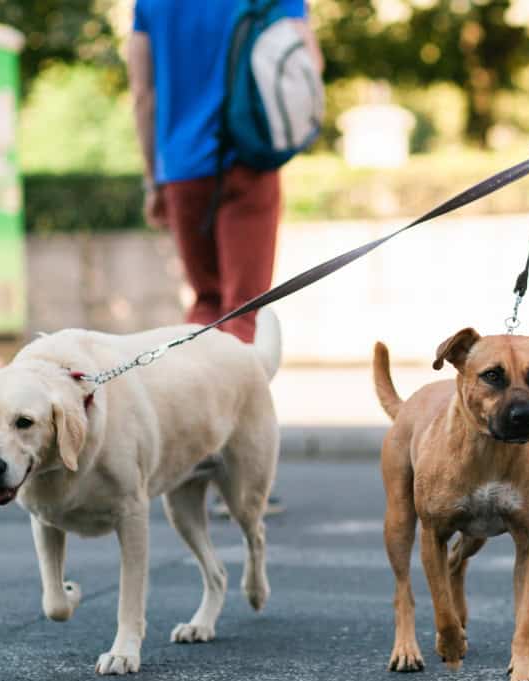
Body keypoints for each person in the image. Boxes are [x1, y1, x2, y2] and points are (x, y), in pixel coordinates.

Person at [127, 0, 323, 516]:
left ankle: (188, 448)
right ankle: (237, 460)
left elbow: (143, 95)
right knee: (243, 310)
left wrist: (153, 178)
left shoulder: (151, 4)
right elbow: (306, 65)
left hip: (182, 166)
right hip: (248, 156)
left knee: (207, 305)